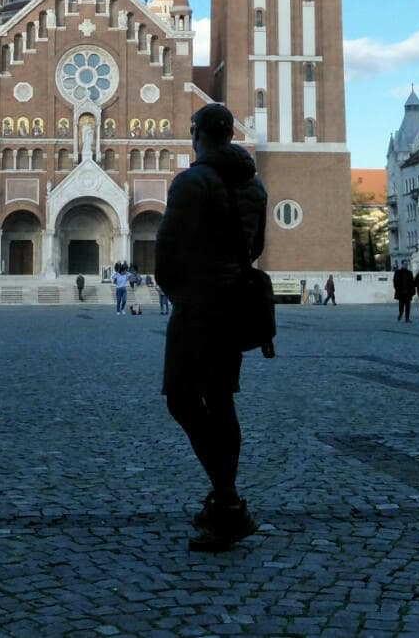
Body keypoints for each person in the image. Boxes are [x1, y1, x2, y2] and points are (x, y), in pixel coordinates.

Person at [156, 102, 266, 554]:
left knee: (183, 399)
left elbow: (166, 250)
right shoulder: (254, 185)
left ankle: (227, 501)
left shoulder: (191, 181)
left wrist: (180, 292)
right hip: (236, 301)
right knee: (221, 400)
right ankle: (225, 502)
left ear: (196, 134)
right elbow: (256, 245)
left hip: (199, 304)